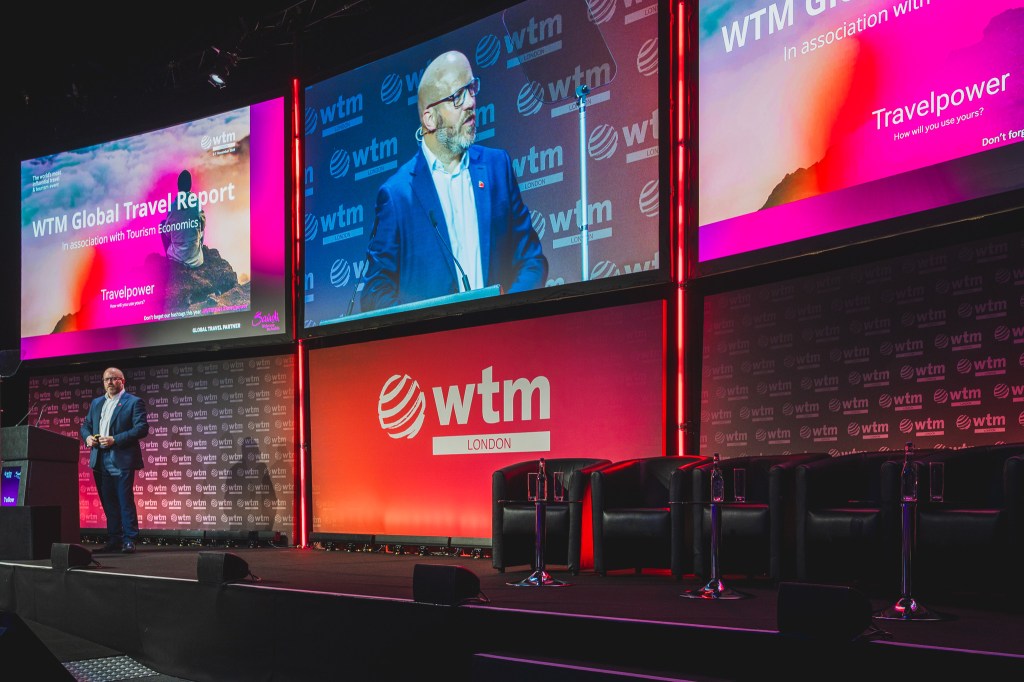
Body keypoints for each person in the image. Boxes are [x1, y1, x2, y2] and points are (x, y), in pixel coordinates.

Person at [360, 50, 547, 312]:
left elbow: (532, 261)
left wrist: (507, 312)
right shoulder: (397, 195)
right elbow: (375, 292)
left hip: (502, 334)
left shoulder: (497, 168)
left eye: (471, 89)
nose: (471, 102)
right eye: (457, 96)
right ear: (430, 118)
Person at [79, 367, 149, 553]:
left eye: (113, 378)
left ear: (122, 381)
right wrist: (88, 438)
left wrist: (115, 439)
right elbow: (85, 426)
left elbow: (141, 428)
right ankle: (114, 539)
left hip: (121, 457)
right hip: (100, 458)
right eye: (106, 379)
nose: (109, 382)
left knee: (124, 499)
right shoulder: (97, 403)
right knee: (108, 501)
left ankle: (129, 539)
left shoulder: (133, 402)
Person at [160, 169, 206, 268]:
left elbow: (167, 233)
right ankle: (198, 248)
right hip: (195, 259)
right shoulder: (197, 204)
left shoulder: (173, 207)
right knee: (201, 222)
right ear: (190, 185)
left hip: (176, 257)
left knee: (162, 225)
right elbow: (202, 227)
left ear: (178, 186)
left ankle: (169, 260)